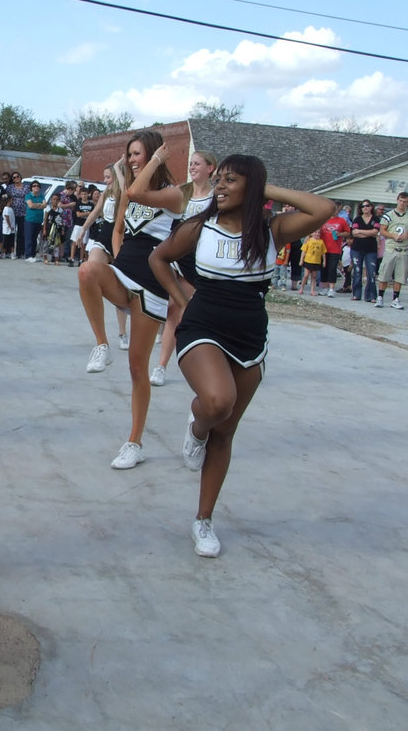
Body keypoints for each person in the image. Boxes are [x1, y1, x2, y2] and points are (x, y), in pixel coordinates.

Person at [148, 154, 335, 557]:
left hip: (250, 336)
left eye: (231, 180)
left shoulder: (272, 231)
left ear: (253, 187)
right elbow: (158, 259)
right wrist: (183, 298)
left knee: (227, 431)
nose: (220, 186)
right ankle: (197, 425)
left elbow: (324, 209)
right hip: (203, 327)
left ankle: (203, 521)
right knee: (218, 402)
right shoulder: (198, 228)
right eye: (219, 179)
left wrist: (264, 188)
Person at [77, 130, 184, 469]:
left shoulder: (172, 194)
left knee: (137, 368)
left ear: (153, 155)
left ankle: (134, 443)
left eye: (137, 154)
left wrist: (155, 161)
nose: (131, 160)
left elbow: (136, 192)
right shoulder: (130, 191)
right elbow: (119, 227)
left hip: (152, 285)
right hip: (124, 272)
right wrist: (120, 256)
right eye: (130, 154)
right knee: (86, 271)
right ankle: (102, 344)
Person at [151, 149, 216, 386]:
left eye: (197, 163)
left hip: (201, 260)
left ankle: (211, 360)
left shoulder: (217, 197)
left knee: (192, 312)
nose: (192, 167)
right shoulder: (182, 192)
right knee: (173, 310)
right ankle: (160, 366)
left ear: (210, 168)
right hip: (178, 256)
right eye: (191, 163)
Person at [78, 163, 130, 361]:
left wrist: (118, 168)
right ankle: (100, 341)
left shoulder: (127, 190)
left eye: (109, 177)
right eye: (105, 176)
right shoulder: (106, 192)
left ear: (118, 176)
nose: (105, 180)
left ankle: (122, 333)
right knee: (89, 272)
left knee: (120, 285)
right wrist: (83, 229)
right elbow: (95, 211)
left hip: (121, 237)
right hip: (104, 235)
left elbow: (125, 190)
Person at [376, 191, 408, 308]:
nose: (402, 203)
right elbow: (382, 230)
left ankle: (395, 299)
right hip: (391, 248)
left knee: (400, 276)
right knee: (384, 274)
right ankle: (380, 297)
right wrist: (393, 235)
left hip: (403, 249)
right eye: (401, 201)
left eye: (405, 201)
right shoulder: (389, 215)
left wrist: (407, 235)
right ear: (397, 201)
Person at [350, 200, 380, 302]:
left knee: (371, 273)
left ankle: (371, 296)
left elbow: (375, 232)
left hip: (371, 249)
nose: (365, 208)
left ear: (371, 207)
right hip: (357, 248)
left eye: (367, 205)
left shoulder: (376, 219)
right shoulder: (357, 219)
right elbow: (354, 233)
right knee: (357, 272)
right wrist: (368, 233)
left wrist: (361, 231)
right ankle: (356, 294)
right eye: (363, 206)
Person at [298, 229, 325, 294]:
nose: (317, 234)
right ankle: (301, 288)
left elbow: (323, 253)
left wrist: (324, 261)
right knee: (306, 275)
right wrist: (301, 260)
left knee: (314, 277)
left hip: (316, 262)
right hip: (308, 260)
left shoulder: (321, 242)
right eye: (315, 232)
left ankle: (312, 290)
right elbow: (303, 251)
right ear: (312, 233)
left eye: (318, 233)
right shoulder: (308, 241)